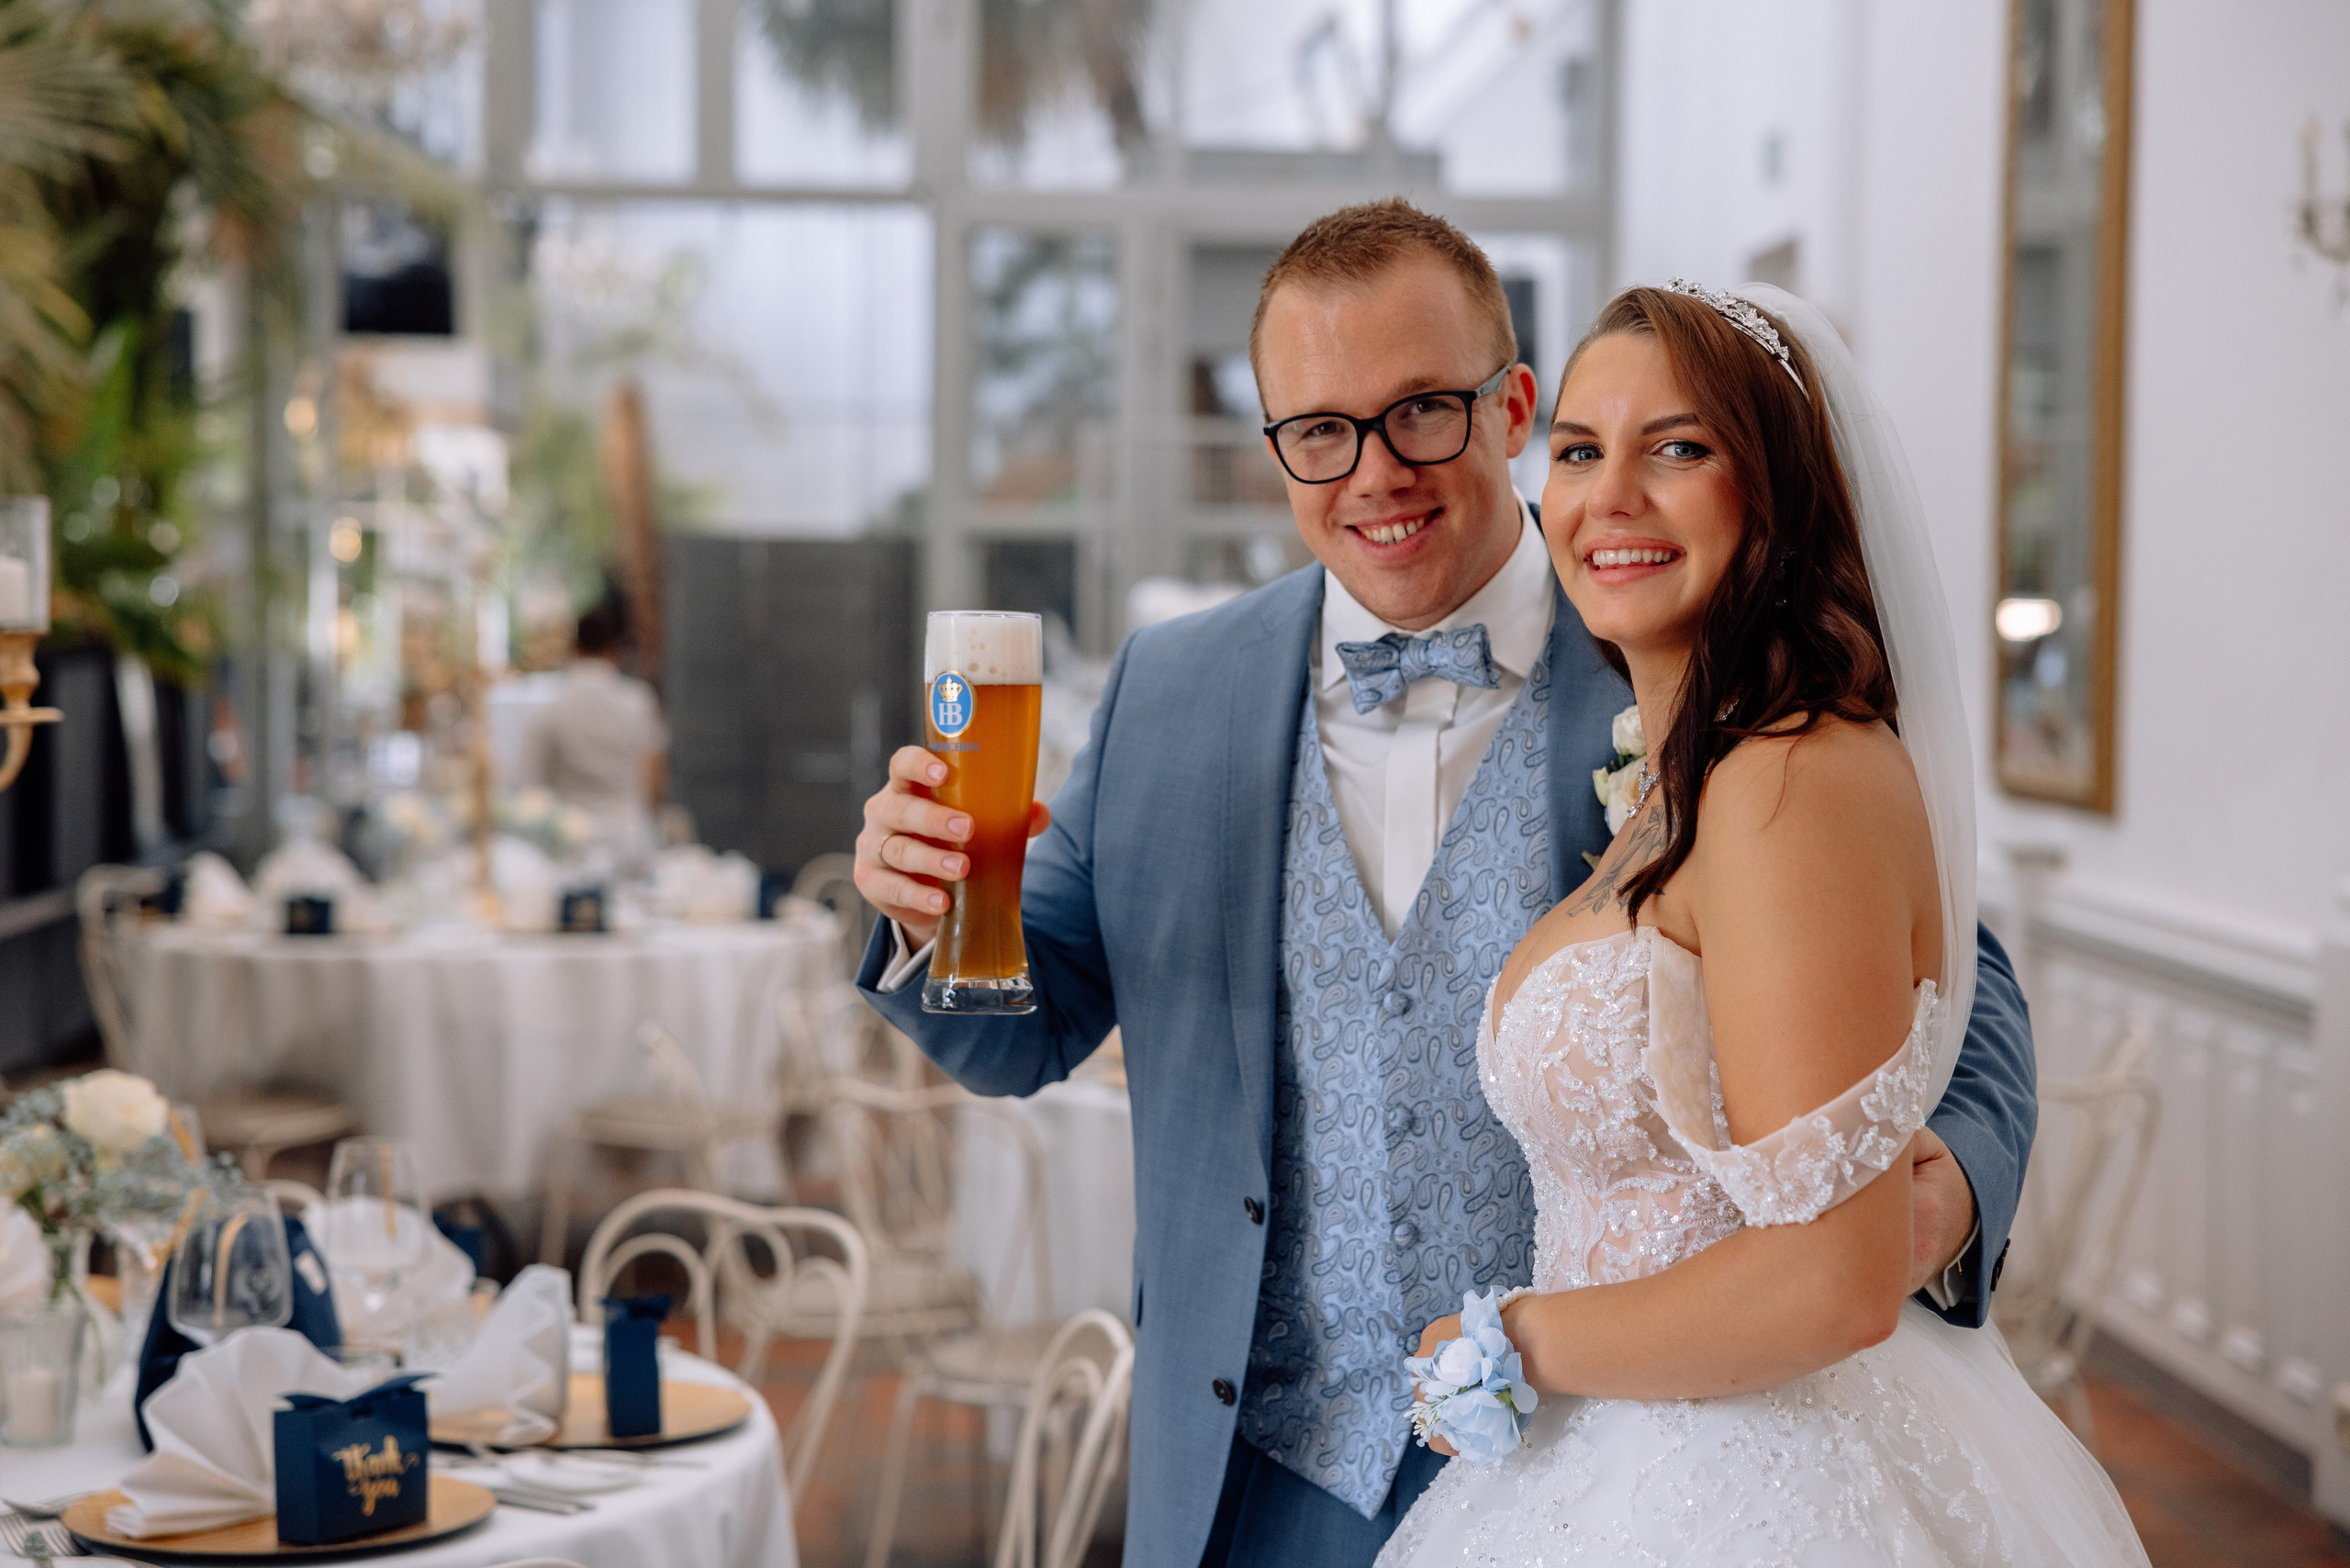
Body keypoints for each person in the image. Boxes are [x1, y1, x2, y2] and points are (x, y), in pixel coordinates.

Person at [852, 202, 2037, 1568]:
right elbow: (1032, 1016)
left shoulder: (1686, 655)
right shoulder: (1171, 693)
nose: (1375, 474)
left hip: (1610, 1466)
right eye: (1319, 430)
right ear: (1277, 448)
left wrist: (1926, 1198)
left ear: (1513, 404)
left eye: (1422, 410)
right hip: (1256, 1479)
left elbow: (1958, 986)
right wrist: (921, 914)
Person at [1373, 283, 2145, 1564]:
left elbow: (1829, 1282)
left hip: (1742, 1486)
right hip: (1624, 1457)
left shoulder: (1795, 777)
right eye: (1578, 451)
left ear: (1776, 492)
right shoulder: (1690, 776)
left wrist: (1515, 1339)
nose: (1609, 494)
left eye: (1677, 448)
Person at [518, 599, 667, 864]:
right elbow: (654, 773)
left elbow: (532, 785)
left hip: (570, 843)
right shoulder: (638, 702)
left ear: (574, 648)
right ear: (615, 651)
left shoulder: (551, 709)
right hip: (631, 838)